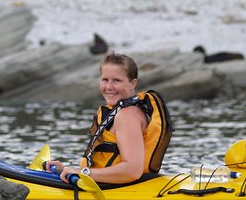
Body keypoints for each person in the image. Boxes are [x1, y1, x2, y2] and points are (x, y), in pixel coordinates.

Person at [44, 53, 171, 185]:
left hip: (124, 191)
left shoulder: (127, 115)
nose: (109, 87)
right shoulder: (118, 111)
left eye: (116, 80)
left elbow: (132, 171)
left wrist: (83, 173)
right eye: (105, 80)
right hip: (110, 186)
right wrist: (64, 170)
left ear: (132, 83)